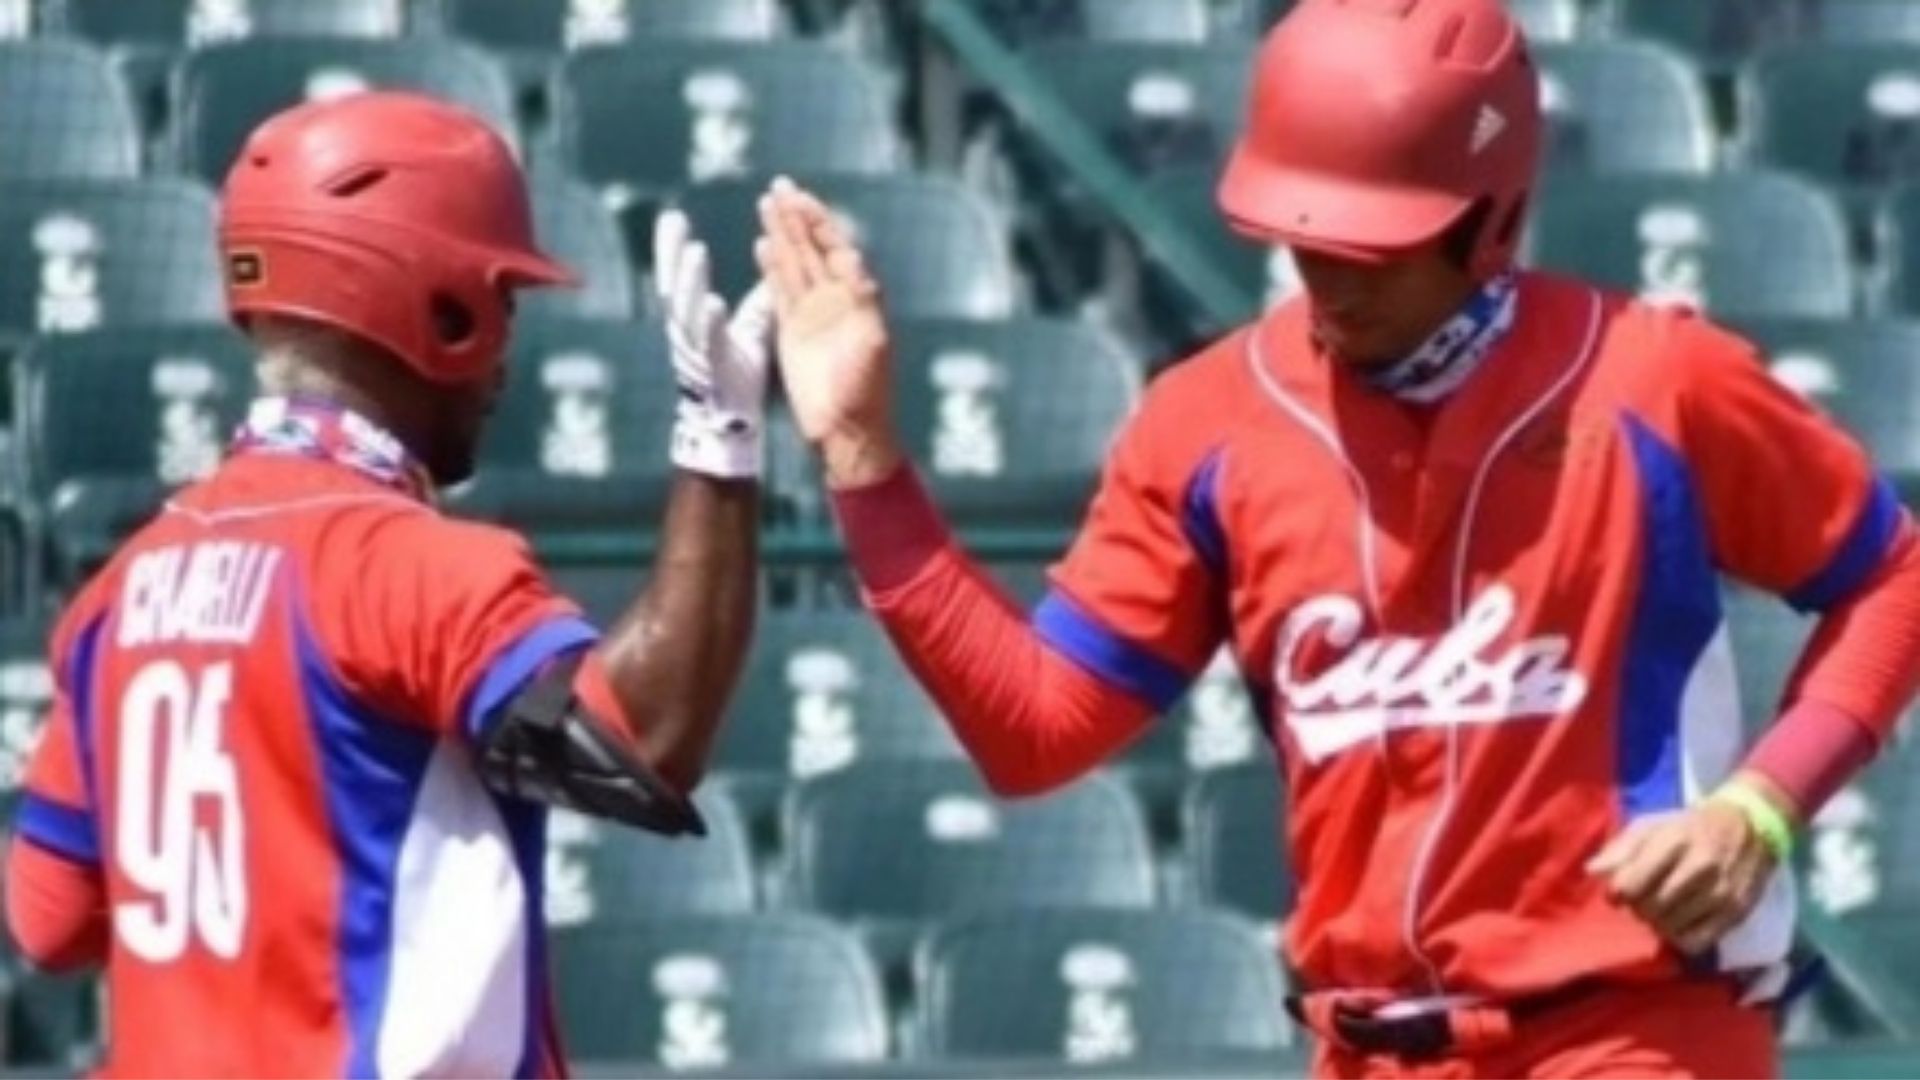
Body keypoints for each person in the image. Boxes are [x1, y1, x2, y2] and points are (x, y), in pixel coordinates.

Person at [755, 0, 1920, 1075]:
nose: (1327, 280)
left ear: (1489, 220)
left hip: (1630, 1028)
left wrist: (1760, 807)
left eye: (1373, 246)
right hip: (1366, 1044)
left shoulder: (1656, 380)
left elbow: (1893, 573)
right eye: (1301, 238)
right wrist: (861, 454)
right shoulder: (1206, 422)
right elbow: (1035, 732)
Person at [4, 91, 769, 1077]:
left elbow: (50, 922)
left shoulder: (118, 592)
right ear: (432, 305)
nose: (503, 350)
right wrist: (722, 440)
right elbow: (646, 736)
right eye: (498, 300)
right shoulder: (405, 565)